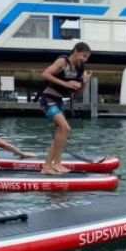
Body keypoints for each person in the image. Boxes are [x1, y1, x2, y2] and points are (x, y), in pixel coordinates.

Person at [39, 42, 92, 175]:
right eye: (83, 56)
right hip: (48, 99)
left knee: (61, 133)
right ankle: (46, 166)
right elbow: (45, 74)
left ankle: (56, 164)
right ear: (75, 51)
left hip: (59, 102)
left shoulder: (80, 68)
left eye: (87, 58)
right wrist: (65, 83)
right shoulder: (63, 61)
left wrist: (84, 82)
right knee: (65, 128)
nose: (84, 60)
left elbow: (77, 94)